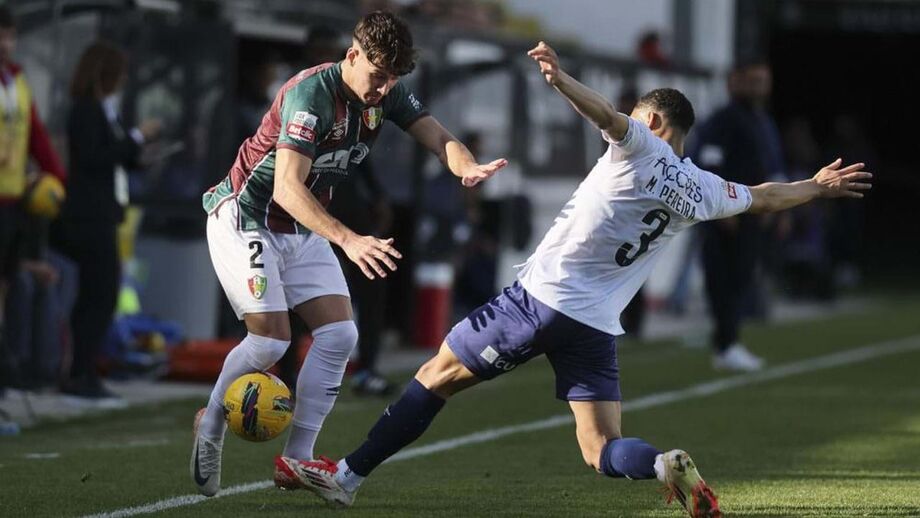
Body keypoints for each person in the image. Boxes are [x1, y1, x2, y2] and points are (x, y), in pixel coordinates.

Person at [285, 41, 871, 518]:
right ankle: (661, 465)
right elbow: (766, 198)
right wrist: (817, 187)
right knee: (599, 449)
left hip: (539, 302)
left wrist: (562, 81)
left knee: (434, 375)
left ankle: (346, 476)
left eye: (638, 118)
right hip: (594, 326)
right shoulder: (706, 190)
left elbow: (608, 117)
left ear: (654, 119)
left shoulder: (641, 144)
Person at [192, 11, 506, 497]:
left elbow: (438, 137)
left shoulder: (387, 92)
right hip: (246, 216)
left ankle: (295, 460)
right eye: (377, 76)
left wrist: (466, 167)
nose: (383, 88)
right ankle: (210, 424)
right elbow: (288, 189)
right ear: (352, 55)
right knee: (272, 342)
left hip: (300, 226)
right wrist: (350, 239)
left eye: (392, 80)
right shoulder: (309, 95)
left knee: (340, 335)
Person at [53, 40, 160, 402]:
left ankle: (84, 370)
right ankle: (79, 372)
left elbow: (113, 157)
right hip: (87, 217)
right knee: (98, 296)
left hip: (103, 213)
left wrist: (138, 155)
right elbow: (95, 158)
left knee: (99, 296)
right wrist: (135, 138)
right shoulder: (85, 110)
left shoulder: (105, 111)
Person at [691, 61, 784, 372]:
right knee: (724, 278)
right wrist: (720, 209)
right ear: (735, 82)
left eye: (763, 81)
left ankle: (729, 341)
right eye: (752, 80)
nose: (758, 87)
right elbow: (709, 162)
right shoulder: (723, 120)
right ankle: (725, 344)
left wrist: (778, 205)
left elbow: (771, 166)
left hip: (754, 212)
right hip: (729, 213)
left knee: (742, 277)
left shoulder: (761, 121)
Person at [0, 5, 67, 390]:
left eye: (9, 36)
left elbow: (35, 133)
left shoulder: (18, 80)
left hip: (12, 202)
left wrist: (56, 176)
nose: (6, 43)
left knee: (8, 288)